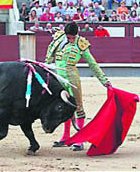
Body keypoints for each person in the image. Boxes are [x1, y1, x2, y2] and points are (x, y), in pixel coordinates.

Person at [45, 22, 112, 151]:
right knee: (63, 107)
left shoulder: (81, 43)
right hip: (57, 78)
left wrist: (104, 81)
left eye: (73, 37)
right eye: (69, 37)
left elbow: (92, 64)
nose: (71, 40)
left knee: (78, 107)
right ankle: (65, 137)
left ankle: (80, 139)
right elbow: (48, 59)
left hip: (72, 79)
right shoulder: (58, 38)